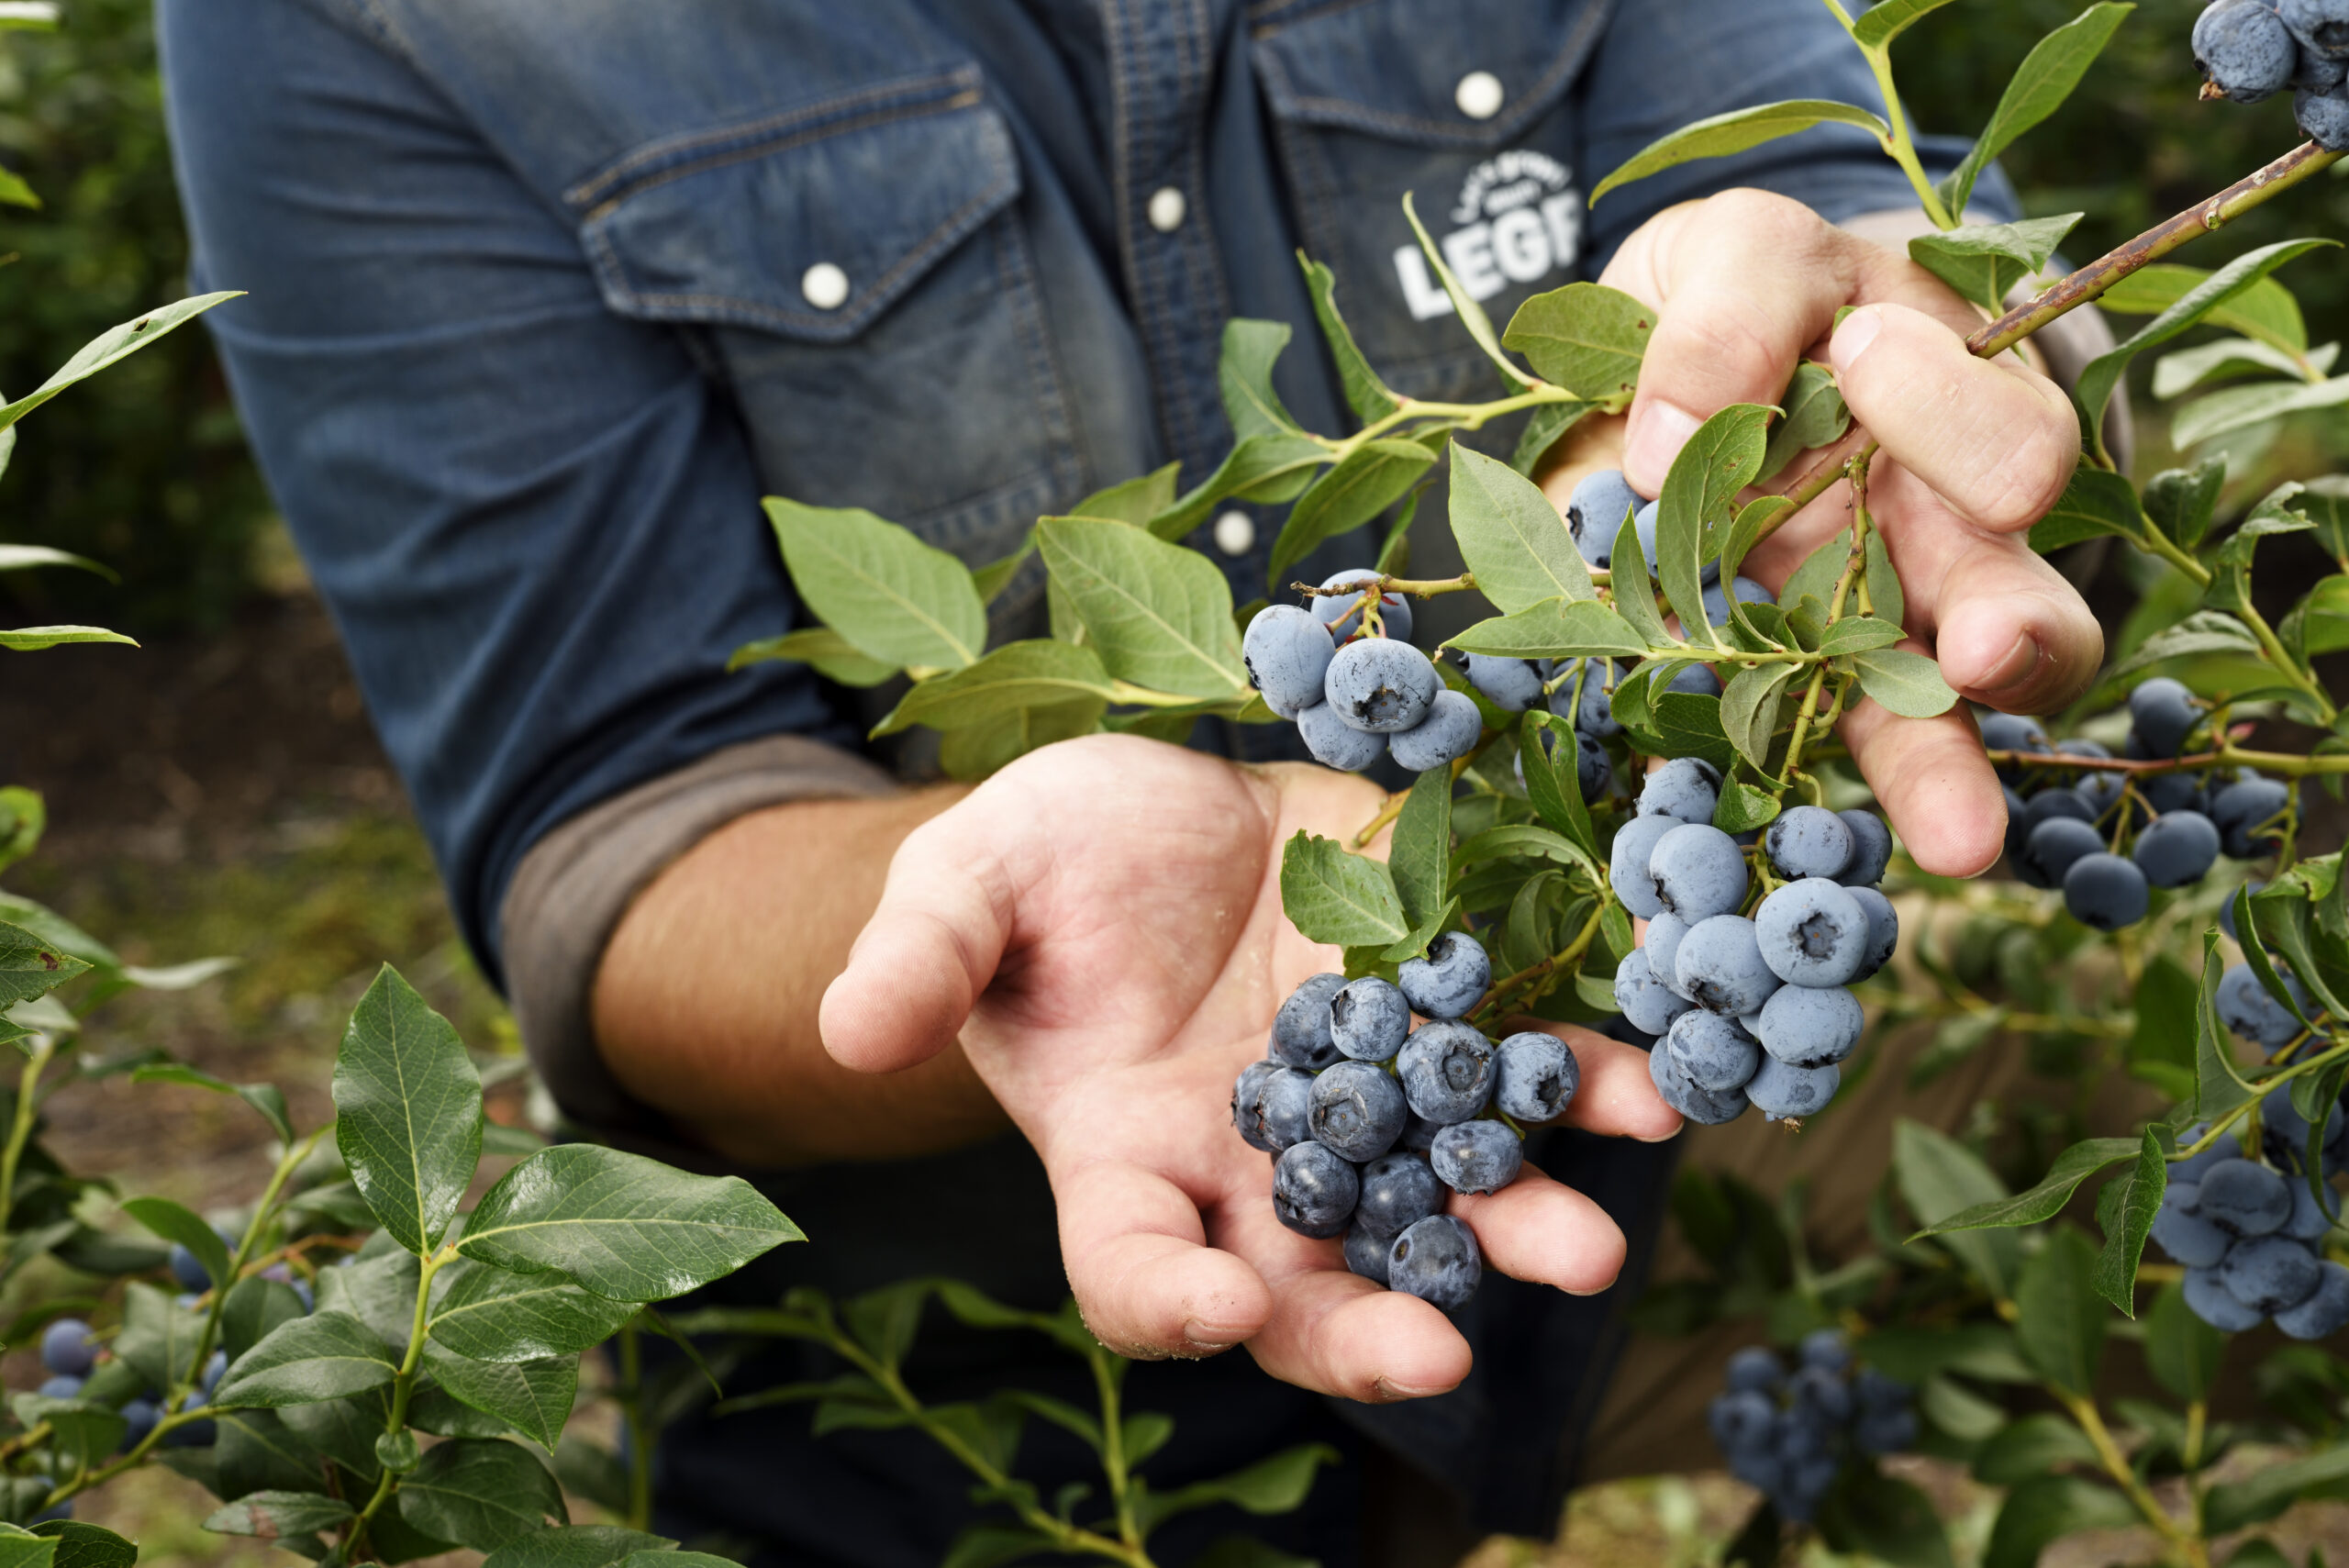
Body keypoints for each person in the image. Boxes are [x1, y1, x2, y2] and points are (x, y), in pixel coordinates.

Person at [157, 0, 2107, 1562]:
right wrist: (1015, 927)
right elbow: (617, 824)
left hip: (1649, 1134)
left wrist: (1826, 367)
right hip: (974, 1346)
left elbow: (1793, 196)